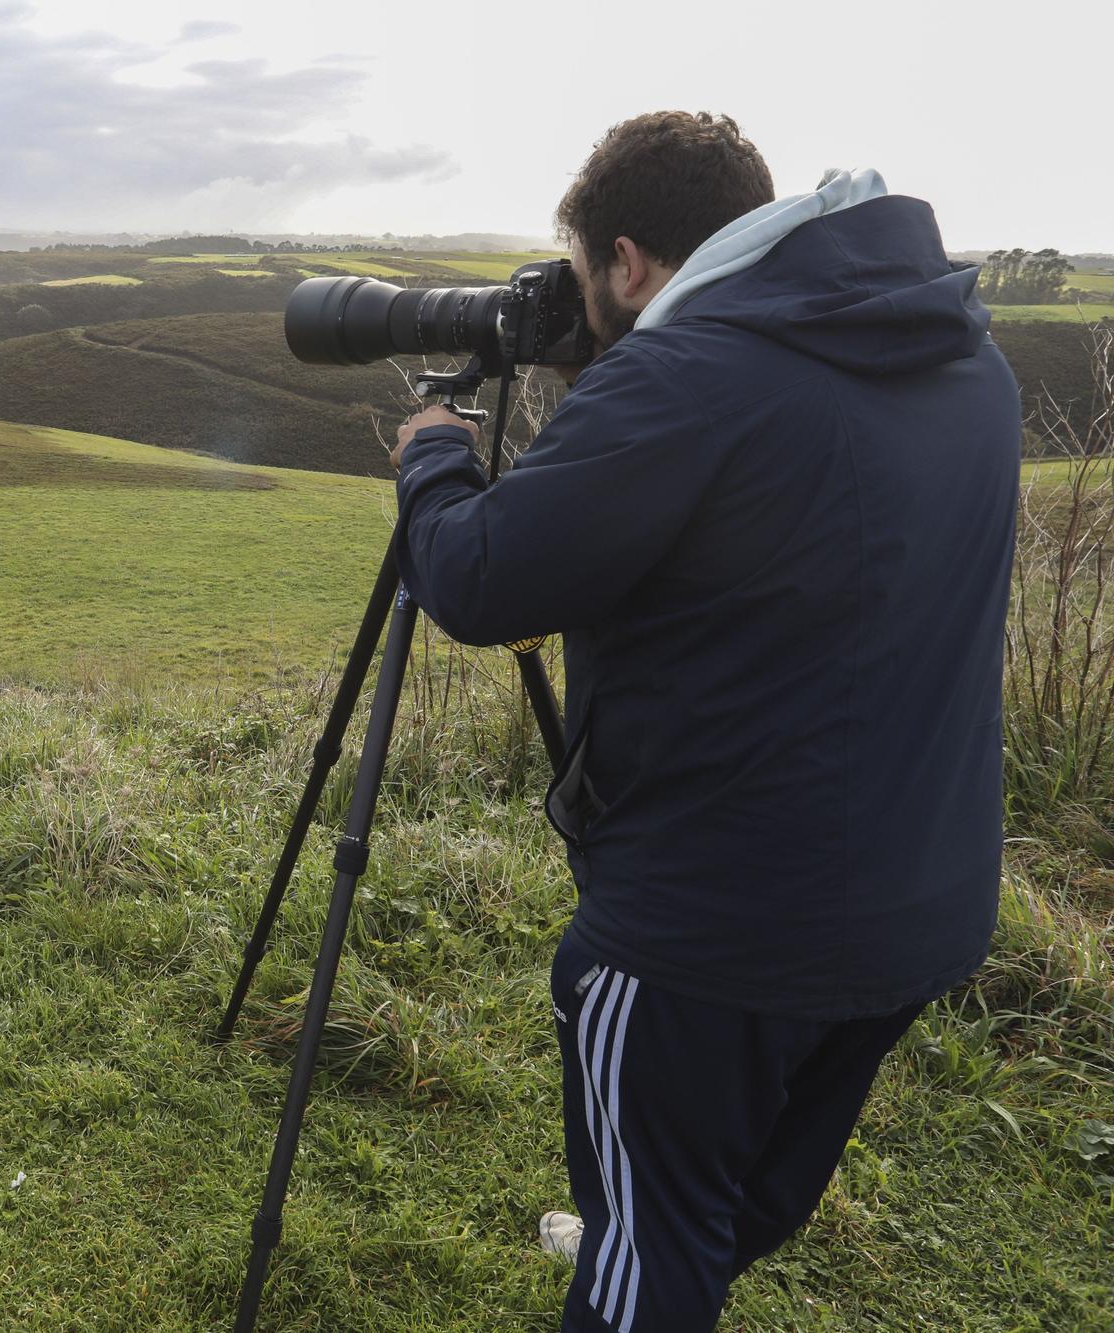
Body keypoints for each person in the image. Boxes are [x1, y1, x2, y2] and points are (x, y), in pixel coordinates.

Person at [387, 111, 1020, 1331]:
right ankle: (646, 1239)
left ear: (625, 262)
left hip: (708, 939)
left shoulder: (685, 380)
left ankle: (638, 1256)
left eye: (582, 276)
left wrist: (432, 459)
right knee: (732, 1192)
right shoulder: (953, 352)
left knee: (655, 1246)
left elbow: (473, 581)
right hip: (916, 905)